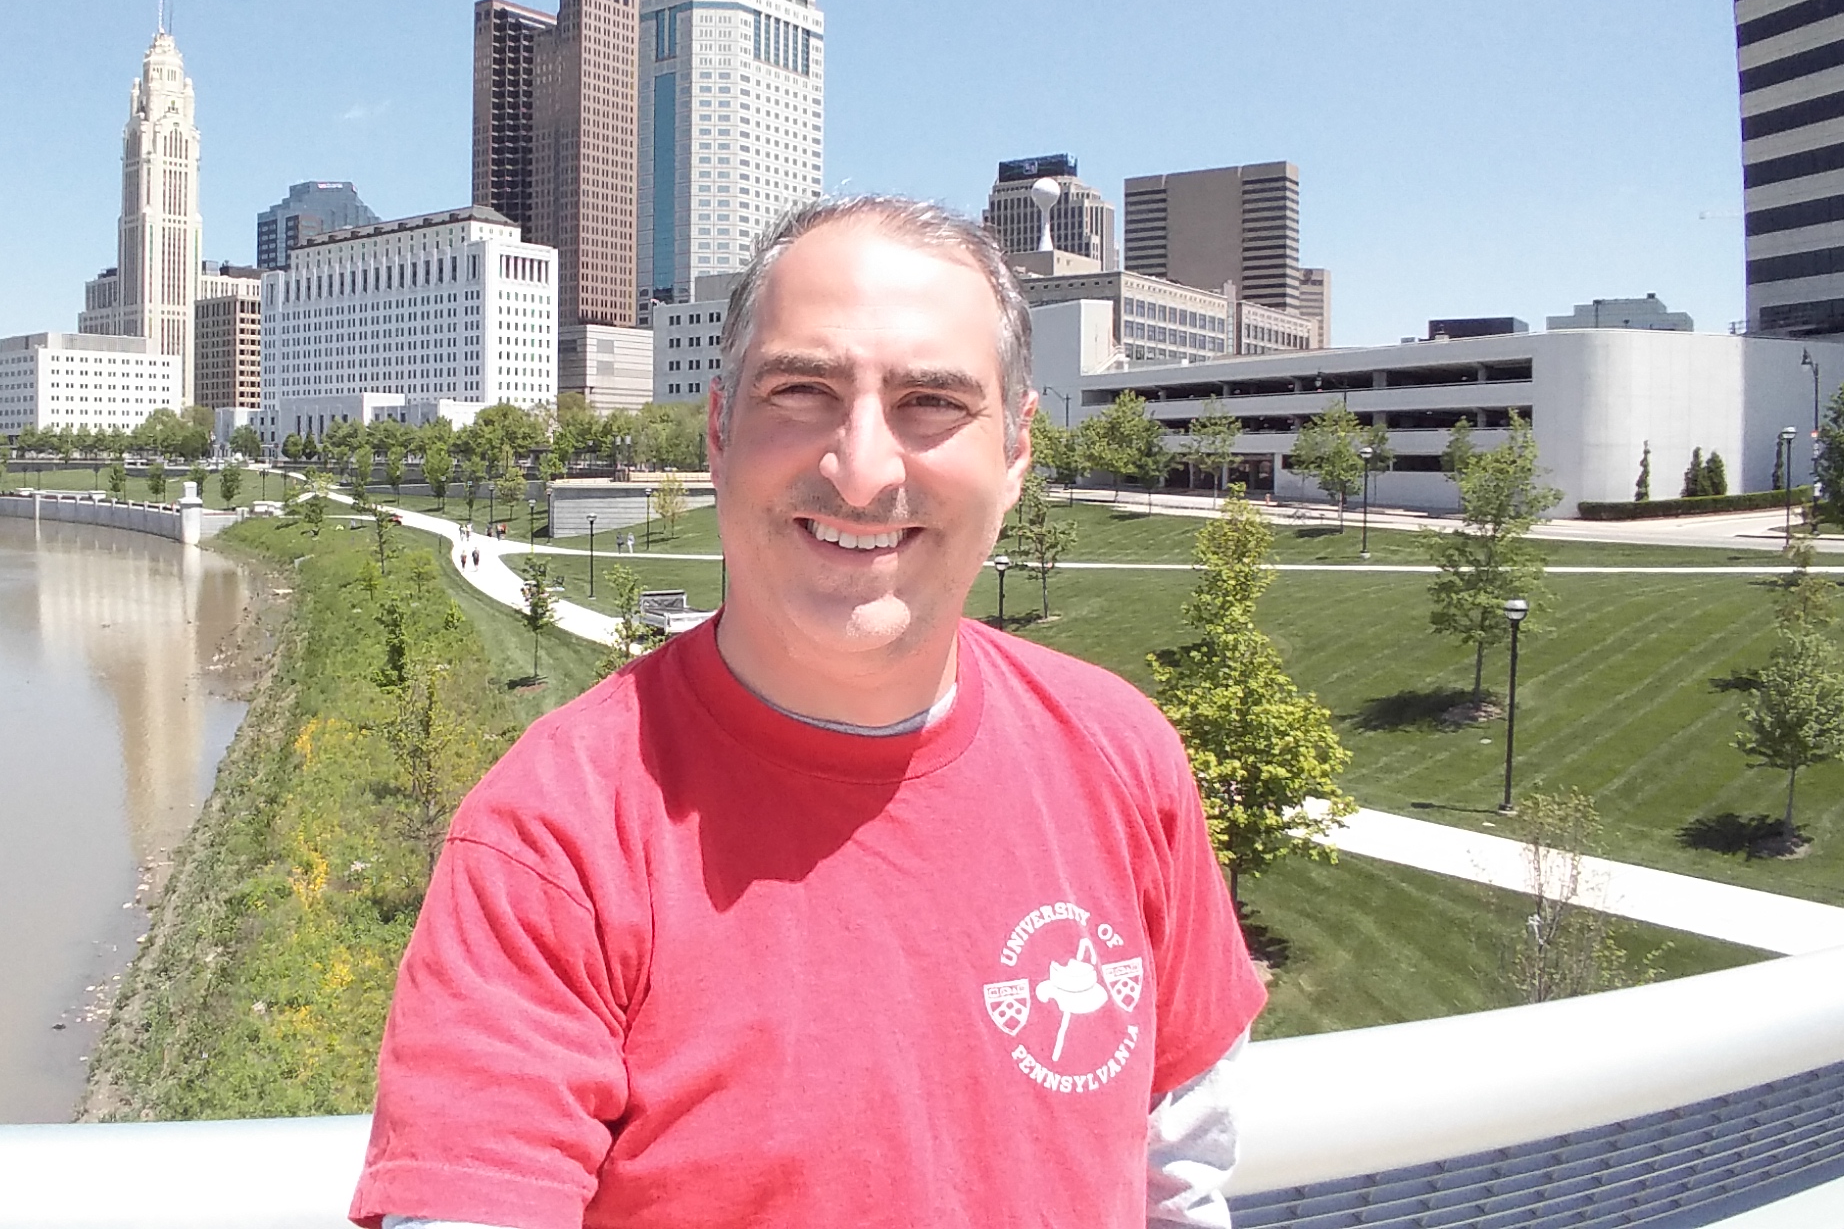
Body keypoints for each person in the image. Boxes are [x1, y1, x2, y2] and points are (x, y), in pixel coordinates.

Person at [352, 197, 1263, 1229]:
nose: (861, 471)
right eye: (801, 391)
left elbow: (1177, 1176)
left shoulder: (1124, 760)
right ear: (718, 430)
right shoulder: (550, 838)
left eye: (932, 401)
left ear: (1016, 452)